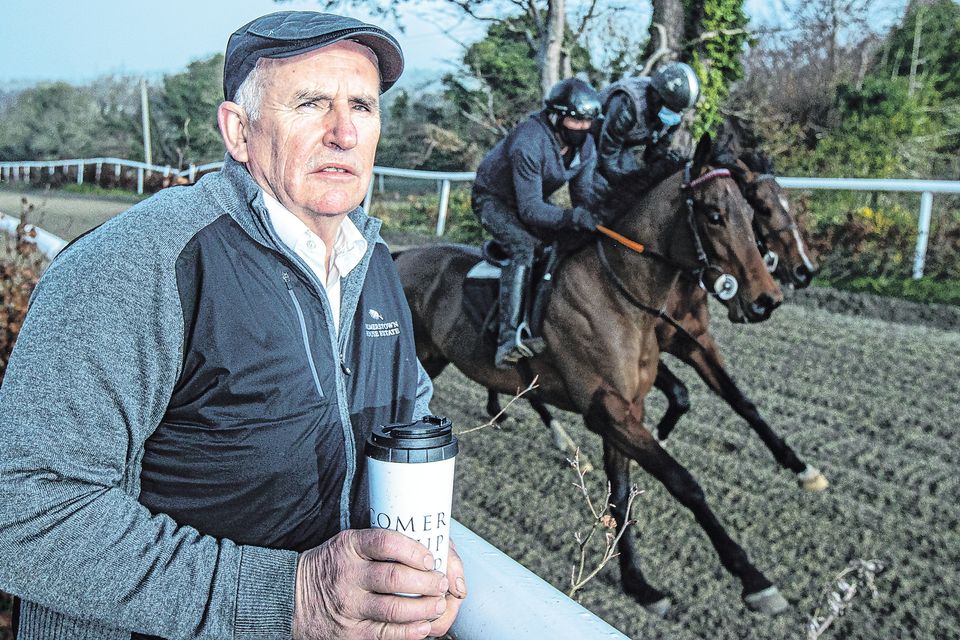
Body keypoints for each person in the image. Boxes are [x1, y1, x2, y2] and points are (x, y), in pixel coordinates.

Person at [0, 11, 465, 640]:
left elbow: (406, 421)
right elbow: (24, 514)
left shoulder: (374, 262)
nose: (344, 132)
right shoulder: (139, 262)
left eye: (363, 105)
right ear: (238, 131)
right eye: (310, 103)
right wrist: (292, 597)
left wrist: (423, 560)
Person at [472, 77, 602, 369]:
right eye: (576, 122)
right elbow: (531, 211)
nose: (583, 129)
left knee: (565, 242)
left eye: (588, 123)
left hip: (529, 200)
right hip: (493, 200)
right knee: (523, 247)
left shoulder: (586, 146)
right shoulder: (529, 141)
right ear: (556, 117)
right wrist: (570, 217)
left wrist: (594, 217)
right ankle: (508, 338)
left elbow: (583, 194)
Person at [596, 61, 701, 192]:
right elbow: (608, 154)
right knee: (597, 193)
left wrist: (663, 163)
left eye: (678, 111)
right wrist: (622, 184)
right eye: (671, 109)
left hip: (624, 145)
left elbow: (655, 152)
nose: (675, 115)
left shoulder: (672, 115)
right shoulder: (628, 103)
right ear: (657, 96)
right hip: (594, 140)